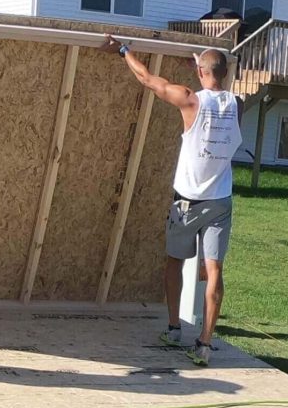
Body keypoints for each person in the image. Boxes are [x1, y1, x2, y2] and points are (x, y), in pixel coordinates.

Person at [103, 37, 242, 366]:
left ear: (199, 70)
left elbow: (148, 80)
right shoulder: (239, 104)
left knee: (174, 263)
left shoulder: (190, 101)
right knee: (214, 271)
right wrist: (201, 69)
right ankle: (205, 345)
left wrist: (124, 50)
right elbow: (217, 92)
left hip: (187, 203)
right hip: (220, 201)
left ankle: (174, 327)